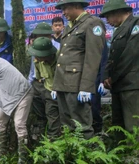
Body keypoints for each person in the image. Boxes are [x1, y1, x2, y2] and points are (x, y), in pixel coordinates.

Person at [52, 0, 106, 139]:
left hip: (77, 84)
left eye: (65, 8)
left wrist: (86, 87)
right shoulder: (71, 27)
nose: (63, 12)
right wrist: (56, 85)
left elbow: (92, 58)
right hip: (63, 83)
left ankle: (86, 155)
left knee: (82, 125)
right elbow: (63, 57)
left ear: (76, 6)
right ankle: (71, 155)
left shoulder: (92, 23)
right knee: (67, 124)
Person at [99, 0, 139, 135]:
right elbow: (111, 57)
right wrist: (106, 76)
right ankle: (123, 153)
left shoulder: (135, 24)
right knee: (118, 125)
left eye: (108, 17)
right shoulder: (117, 31)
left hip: (132, 84)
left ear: (116, 12)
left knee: (133, 125)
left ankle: (134, 155)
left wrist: (113, 77)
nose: (107, 21)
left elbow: (130, 55)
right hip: (118, 84)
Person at [27, 22, 60, 141]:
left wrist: (57, 88)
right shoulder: (36, 53)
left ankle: (54, 141)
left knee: (53, 113)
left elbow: (61, 74)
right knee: (43, 110)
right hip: (45, 86)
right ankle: (44, 134)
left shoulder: (59, 53)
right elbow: (35, 73)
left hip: (57, 88)